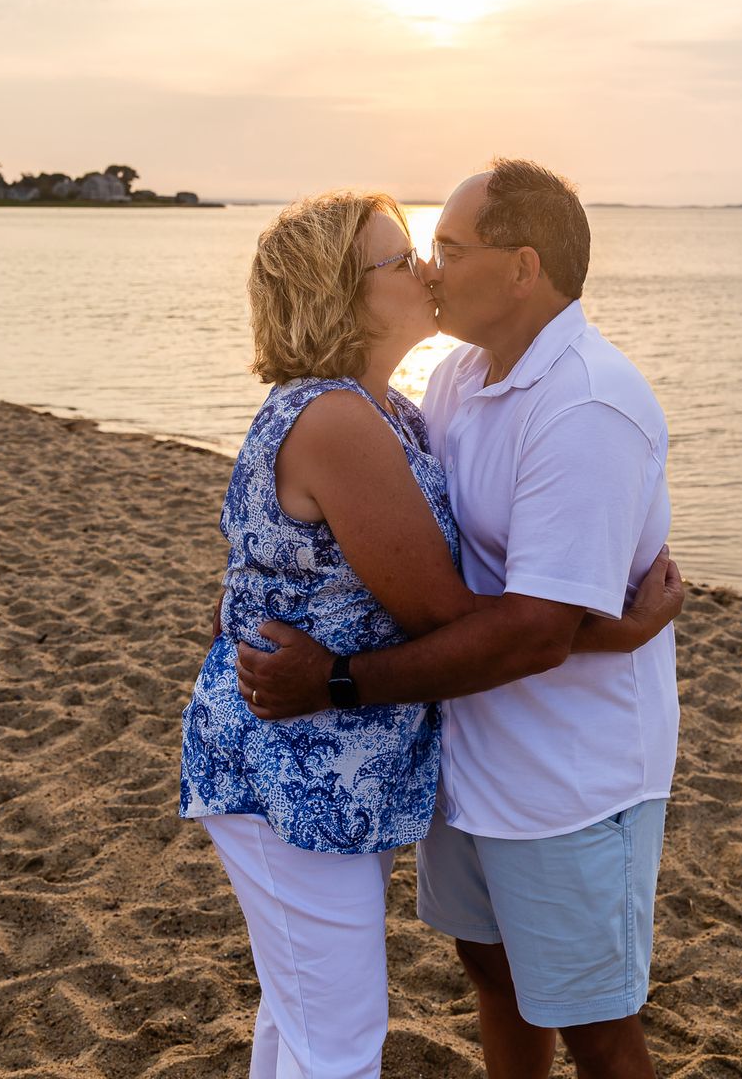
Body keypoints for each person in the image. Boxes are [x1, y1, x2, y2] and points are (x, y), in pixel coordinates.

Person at [179, 188, 682, 1079]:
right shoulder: (360, 411)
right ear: (341, 294)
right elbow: (453, 611)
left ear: (522, 267)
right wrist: (616, 627)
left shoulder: (418, 406)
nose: (423, 268)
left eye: (436, 247)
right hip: (302, 758)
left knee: (309, 1018)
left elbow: (369, 566)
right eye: (403, 253)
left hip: (410, 766)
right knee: (334, 1032)